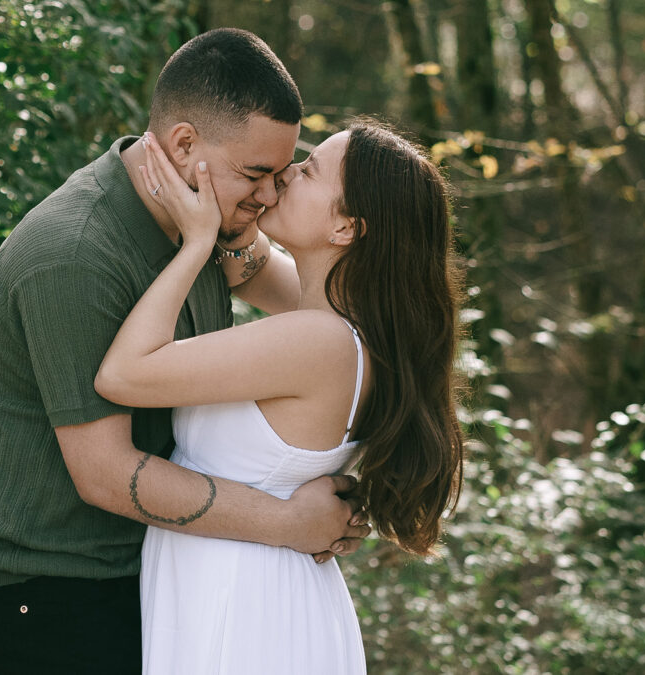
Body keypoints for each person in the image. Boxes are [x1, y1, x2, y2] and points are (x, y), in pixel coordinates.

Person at [0, 28, 370, 674]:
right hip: (31, 594)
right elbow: (105, 471)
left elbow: (332, 320)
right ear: (185, 144)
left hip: (127, 576)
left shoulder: (214, 228)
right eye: (256, 174)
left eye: (283, 175)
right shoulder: (75, 256)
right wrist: (289, 522)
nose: (271, 196)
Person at [94, 119, 467, 673]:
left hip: (243, 605)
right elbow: (251, 270)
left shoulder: (318, 340)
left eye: (310, 170)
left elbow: (123, 375)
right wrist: (230, 215)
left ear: (345, 227)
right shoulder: (352, 324)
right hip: (250, 586)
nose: (287, 174)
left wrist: (196, 244)